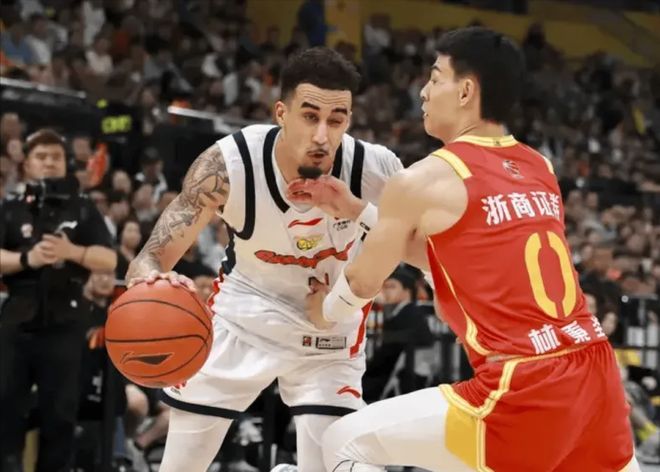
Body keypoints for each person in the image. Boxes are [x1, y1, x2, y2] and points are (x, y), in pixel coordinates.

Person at [299, 27, 639, 471]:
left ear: (465, 91)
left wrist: (323, 311)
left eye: (434, 78)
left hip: (523, 385)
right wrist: (359, 210)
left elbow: (363, 282)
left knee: (343, 443)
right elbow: (452, 260)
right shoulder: (539, 166)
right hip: (594, 368)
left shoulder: (423, 178)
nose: (423, 92)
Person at [125, 47, 403, 472]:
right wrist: (154, 281)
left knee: (332, 465)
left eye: (336, 120)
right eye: (310, 116)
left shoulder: (375, 168)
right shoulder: (228, 165)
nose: (323, 135)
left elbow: (425, 249)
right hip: (244, 318)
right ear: (281, 113)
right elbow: (149, 259)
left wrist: (357, 212)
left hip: (329, 332)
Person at [0, 128, 116, 472]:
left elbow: (109, 259)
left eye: (56, 157)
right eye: (41, 157)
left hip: (66, 319)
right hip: (16, 319)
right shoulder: (10, 208)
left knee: (60, 415)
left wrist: (71, 251)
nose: (49, 163)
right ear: (26, 164)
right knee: (5, 408)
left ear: (66, 164)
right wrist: (28, 259)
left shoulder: (82, 208)